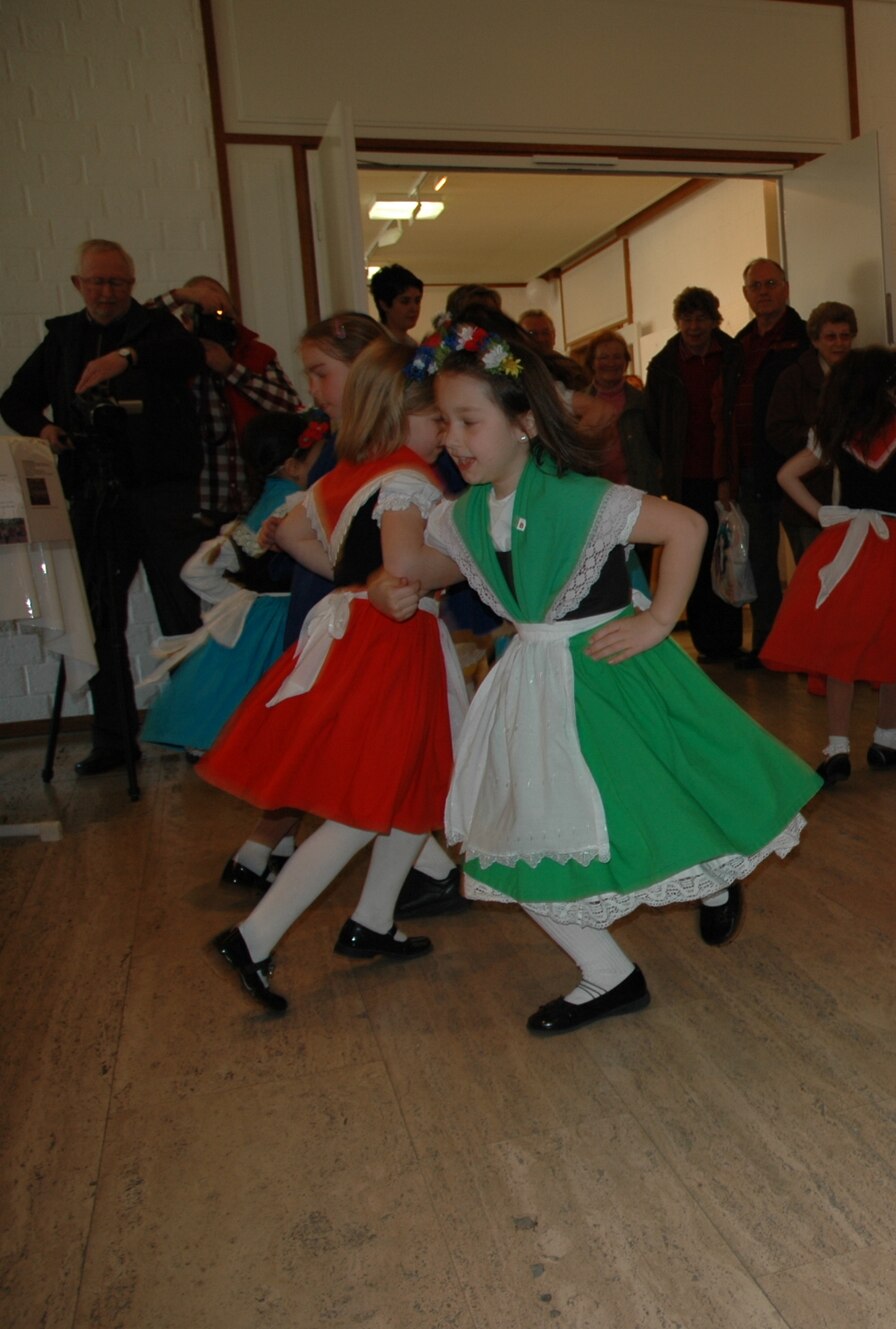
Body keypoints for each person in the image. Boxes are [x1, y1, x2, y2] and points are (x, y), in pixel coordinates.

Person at [363, 310, 821, 1029]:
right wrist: (387, 584)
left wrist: (659, 619)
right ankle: (608, 972)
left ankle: (715, 876)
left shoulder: (578, 496)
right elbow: (428, 565)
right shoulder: (469, 510)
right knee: (524, 834)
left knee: (653, 799)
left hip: (608, 671)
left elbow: (687, 525)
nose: (452, 439)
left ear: (524, 421)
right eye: (443, 423)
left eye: (467, 421)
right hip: (534, 684)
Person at [203, 337, 461, 1012]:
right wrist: (474, 558)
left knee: (415, 783)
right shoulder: (407, 476)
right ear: (405, 414)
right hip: (392, 647)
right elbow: (404, 571)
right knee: (360, 805)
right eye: (440, 418)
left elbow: (297, 537)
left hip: (359, 635)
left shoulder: (348, 471)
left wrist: (364, 580)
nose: (447, 433)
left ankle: (372, 918)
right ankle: (254, 936)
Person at [1, 239, 207, 776]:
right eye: (95, 281)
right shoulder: (63, 337)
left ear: (131, 284)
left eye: (116, 282)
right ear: (78, 285)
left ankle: (194, 729)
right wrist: (45, 430)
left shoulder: (157, 330)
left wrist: (127, 358)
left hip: (163, 493)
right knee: (96, 618)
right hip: (94, 494)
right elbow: (14, 400)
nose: (106, 291)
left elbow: (190, 355)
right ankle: (114, 739)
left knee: (181, 610)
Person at [761, 347, 896, 785]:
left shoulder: (836, 432)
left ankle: (837, 747)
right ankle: (886, 739)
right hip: (895, 546)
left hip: (845, 544)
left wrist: (823, 512)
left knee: (839, 646)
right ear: (888, 390)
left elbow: (786, 475)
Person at [140, 412, 316, 754]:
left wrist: (242, 600)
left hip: (263, 612)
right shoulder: (296, 503)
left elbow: (195, 570)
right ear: (292, 464)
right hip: (292, 614)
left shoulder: (258, 505)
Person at [148, 276, 304, 523]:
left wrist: (230, 369)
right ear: (187, 320)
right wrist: (182, 296)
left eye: (222, 311)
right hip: (195, 502)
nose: (216, 321)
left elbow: (290, 406)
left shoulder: (256, 353)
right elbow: (136, 324)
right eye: (205, 312)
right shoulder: (173, 354)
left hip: (253, 496)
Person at [642, 286, 745, 661]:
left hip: (728, 475)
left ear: (714, 320)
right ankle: (706, 642)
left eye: (701, 318)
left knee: (730, 558)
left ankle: (731, 640)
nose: (694, 326)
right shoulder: (664, 366)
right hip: (686, 477)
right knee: (697, 560)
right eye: (687, 318)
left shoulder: (734, 357)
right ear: (678, 322)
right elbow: (654, 425)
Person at [735, 259, 813, 664]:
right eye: (755, 285)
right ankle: (768, 647)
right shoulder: (740, 343)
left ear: (786, 287)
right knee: (760, 566)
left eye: (770, 283)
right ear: (745, 294)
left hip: (799, 473)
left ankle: (813, 650)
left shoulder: (805, 339)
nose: (763, 291)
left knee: (810, 564)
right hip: (750, 474)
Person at [764, 302, 859, 575]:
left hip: (854, 501)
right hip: (809, 503)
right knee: (816, 584)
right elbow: (777, 430)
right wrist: (818, 435)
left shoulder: (862, 376)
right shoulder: (793, 378)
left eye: (845, 336)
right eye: (831, 337)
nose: (839, 343)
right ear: (815, 341)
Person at [579, 331, 648, 489]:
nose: (611, 363)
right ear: (592, 362)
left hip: (638, 491)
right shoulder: (580, 405)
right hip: (595, 492)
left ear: (626, 362)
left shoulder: (643, 402)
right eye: (604, 357)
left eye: (617, 357)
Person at [369, 264, 424, 344]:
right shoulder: (375, 344)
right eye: (405, 302)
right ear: (384, 305)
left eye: (417, 301)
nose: (414, 308)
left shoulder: (412, 345)